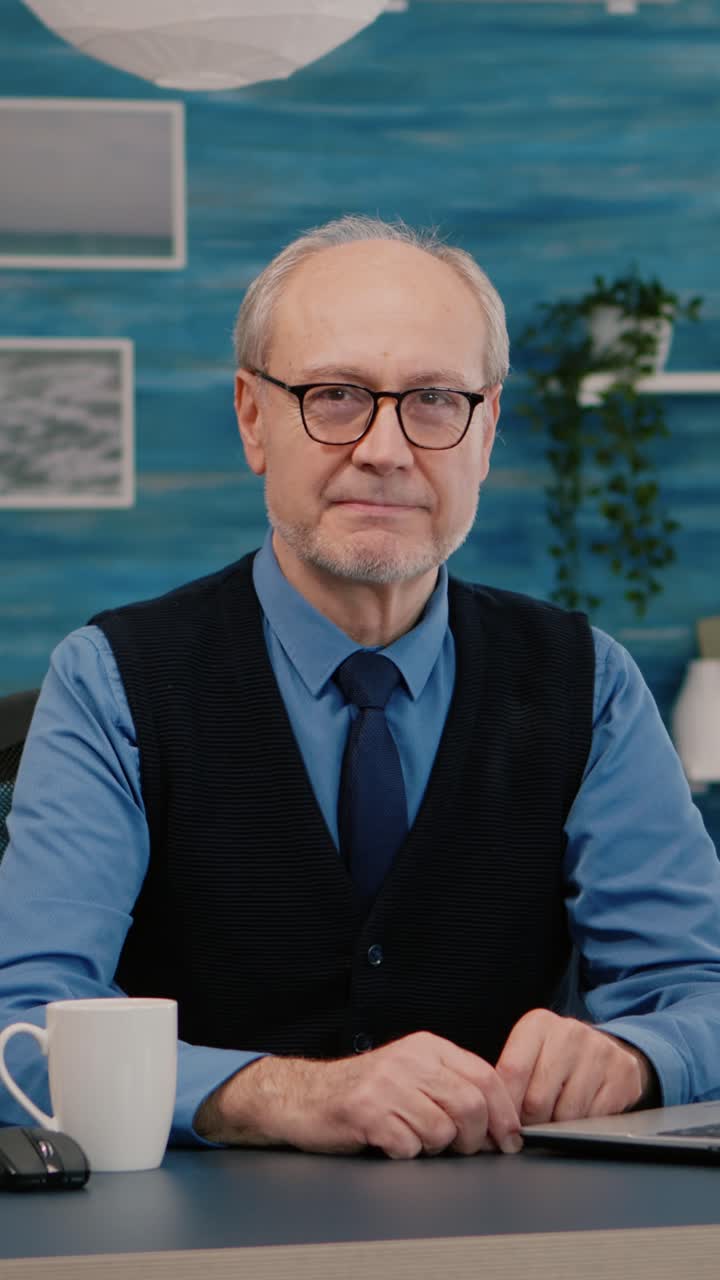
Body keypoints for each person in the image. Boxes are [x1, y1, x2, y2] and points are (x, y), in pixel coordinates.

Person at [1, 216, 719, 1162]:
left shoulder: (591, 684)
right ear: (254, 419)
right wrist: (273, 1093)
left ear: (486, 431)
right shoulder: (111, 683)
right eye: (334, 396)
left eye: (432, 400)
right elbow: (22, 1032)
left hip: (519, 1238)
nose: (386, 449)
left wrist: (636, 1056)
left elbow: (700, 992)